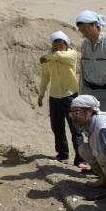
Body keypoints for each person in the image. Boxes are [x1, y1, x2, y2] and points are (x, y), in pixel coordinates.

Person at [38, 30, 85, 166]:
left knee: (75, 129)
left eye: (60, 44)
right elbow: (45, 76)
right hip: (54, 96)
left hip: (70, 96)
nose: (58, 47)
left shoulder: (71, 54)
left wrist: (48, 56)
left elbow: (61, 57)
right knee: (57, 127)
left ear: (66, 44)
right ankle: (63, 154)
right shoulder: (48, 58)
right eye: (55, 44)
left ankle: (80, 159)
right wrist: (41, 93)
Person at [75, 10, 106, 113]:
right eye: (81, 30)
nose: (84, 33)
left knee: (103, 125)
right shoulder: (85, 44)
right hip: (87, 93)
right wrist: (80, 95)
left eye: (86, 28)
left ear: (95, 25)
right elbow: (83, 72)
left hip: (105, 95)